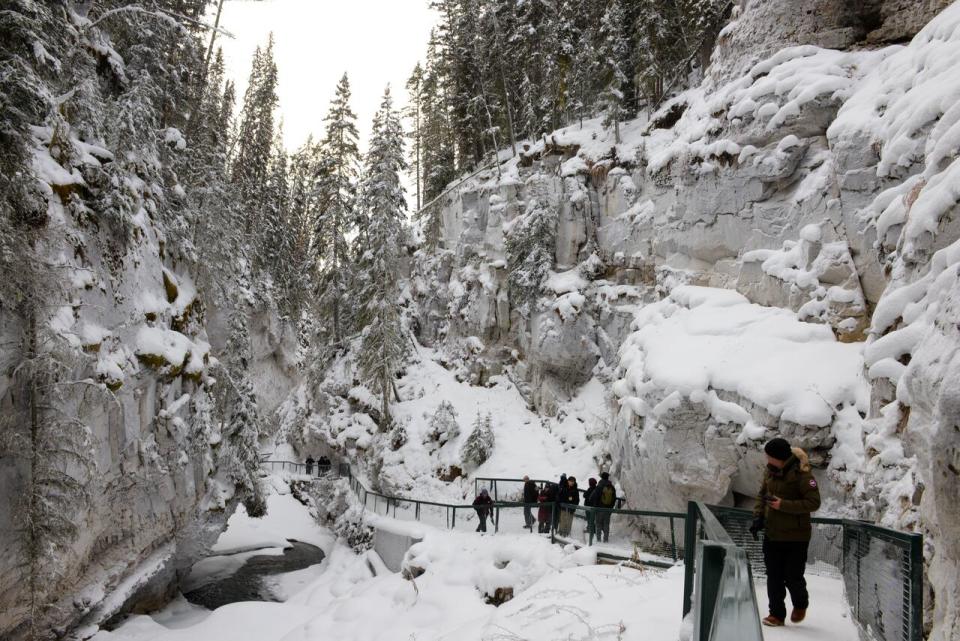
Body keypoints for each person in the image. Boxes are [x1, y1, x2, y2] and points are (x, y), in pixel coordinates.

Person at [750, 437, 821, 627]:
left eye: (769, 456)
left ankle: (800, 604)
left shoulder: (803, 475)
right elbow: (762, 494)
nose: (767, 460)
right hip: (772, 534)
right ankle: (776, 614)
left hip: (796, 537)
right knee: (773, 576)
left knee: (792, 576)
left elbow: (814, 503)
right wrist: (758, 517)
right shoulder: (770, 471)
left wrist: (783, 505)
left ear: (779, 457)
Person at [593, 472, 616, 543]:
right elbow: (614, 499)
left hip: (599, 508)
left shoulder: (599, 485)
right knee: (606, 524)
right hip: (608, 509)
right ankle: (606, 539)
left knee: (598, 524)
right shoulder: (611, 487)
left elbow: (595, 497)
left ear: (602, 477)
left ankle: (598, 539)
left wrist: (595, 507)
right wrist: (610, 508)